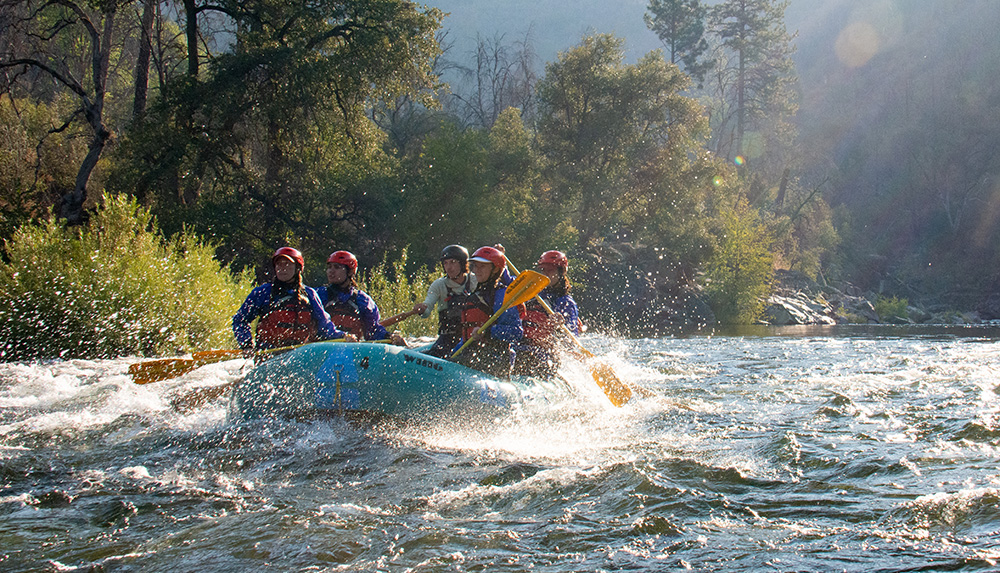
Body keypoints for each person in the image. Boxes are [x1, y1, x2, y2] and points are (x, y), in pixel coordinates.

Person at [233, 247, 356, 354]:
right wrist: (246, 344)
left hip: (299, 356)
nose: (282, 268)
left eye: (287, 264)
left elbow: (324, 327)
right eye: (279, 264)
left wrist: (343, 336)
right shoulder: (263, 292)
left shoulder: (309, 294)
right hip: (268, 355)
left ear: (298, 268)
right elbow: (240, 320)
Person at [450, 246, 523, 378]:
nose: (477, 271)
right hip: (471, 355)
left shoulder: (502, 296)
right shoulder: (475, 294)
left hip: (495, 360)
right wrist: (452, 356)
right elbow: (466, 336)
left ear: (495, 269)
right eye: (475, 266)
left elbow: (516, 332)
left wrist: (488, 331)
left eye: (482, 267)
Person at [513, 250, 581, 377]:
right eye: (543, 270)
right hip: (520, 349)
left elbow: (570, 343)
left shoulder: (565, 303)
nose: (545, 274)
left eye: (550, 271)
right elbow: (510, 285)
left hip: (544, 357)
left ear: (561, 272)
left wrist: (560, 327)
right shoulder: (533, 293)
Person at [316, 250, 406, 346]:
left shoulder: (362, 300)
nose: (331, 271)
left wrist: (389, 336)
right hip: (323, 348)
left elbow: (373, 331)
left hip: (352, 350)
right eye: (329, 267)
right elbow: (322, 326)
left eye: (337, 267)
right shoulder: (319, 295)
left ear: (350, 271)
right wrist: (341, 336)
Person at [412, 245, 478, 358]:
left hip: (472, 335)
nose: (449, 267)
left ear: (463, 263)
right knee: (435, 354)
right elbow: (427, 309)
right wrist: (422, 309)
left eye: (453, 262)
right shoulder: (439, 285)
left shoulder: (475, 280)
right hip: (448, 337)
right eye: (446, 263)